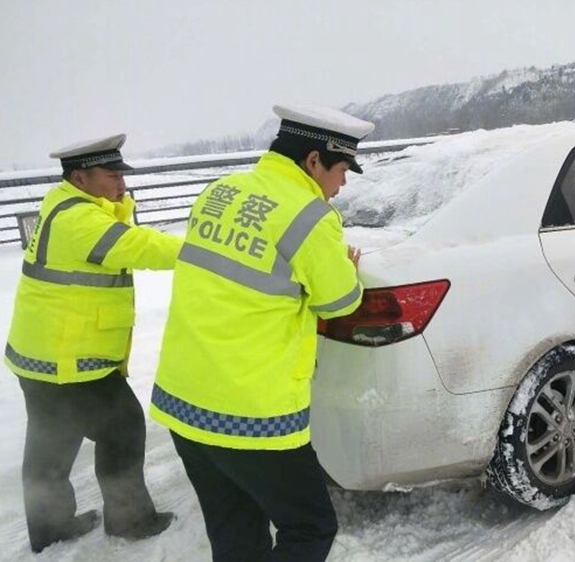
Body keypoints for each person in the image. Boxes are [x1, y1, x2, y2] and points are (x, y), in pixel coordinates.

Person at [150, 104, 374, 562]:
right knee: (311, 526)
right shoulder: (311, 218)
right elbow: (339, 302)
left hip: (183, 400)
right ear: (313, 161)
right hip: (252, 416)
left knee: (234, 529)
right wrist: (346, 271)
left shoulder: (222, 190)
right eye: (342, 169)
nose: (344, 183)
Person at [4, 134, 181, 553]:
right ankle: (131, 520)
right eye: (111, 174)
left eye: (122, 174)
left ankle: (50, 527)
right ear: (80, 177)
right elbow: (141, 247)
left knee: (51, 443)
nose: (121, 182)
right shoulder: (78, 220)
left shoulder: (67, 206)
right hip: (70, 358)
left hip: (43, 354)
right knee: (122, 429)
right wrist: (214, 248)